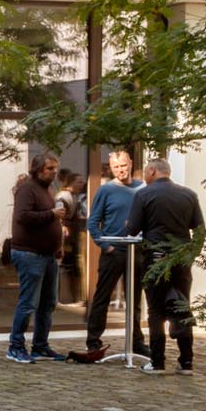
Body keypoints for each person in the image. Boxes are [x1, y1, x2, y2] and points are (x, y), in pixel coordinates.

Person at [125, 157, 206, 374]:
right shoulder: (189, 195)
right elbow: (200, 231)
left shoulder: (143, 194)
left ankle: (158, 361)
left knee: (156, 311)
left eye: (145, 172)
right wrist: (191, 255)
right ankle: (186, 361)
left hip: (155, 259)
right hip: (181, 260)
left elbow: (132, 229)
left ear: (152, 171)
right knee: (182, 307)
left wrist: (129, 224)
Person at [80, 150, 146, 358]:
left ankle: (136, 342)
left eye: (123, 165)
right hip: (113, 251)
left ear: (130, 164)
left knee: (134, 300)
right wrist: (105, 245)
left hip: (136, 251)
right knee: (102, 297)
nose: (121, 170)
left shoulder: (142, 189)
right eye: (116, 167)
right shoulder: (105, 190)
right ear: (111, 168)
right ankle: (93, 342)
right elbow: (92, 222)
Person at [7, 153, 65, 363]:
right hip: (29, 254)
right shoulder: (27, 189)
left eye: (56, 168)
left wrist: (58, 245)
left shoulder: (47, 190)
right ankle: (15, 346)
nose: (54, 172)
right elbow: (23, 216)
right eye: (50, 168)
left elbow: (50, 219)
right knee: (29, 302)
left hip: (48, 255)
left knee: (48, 303)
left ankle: (40, 346)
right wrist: (52, 214)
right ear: (38, 169)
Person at [54, 168, 88, 304]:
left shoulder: (73, 196)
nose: (82, 184)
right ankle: (60, 296)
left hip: (70, 236)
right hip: (64, 236)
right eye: (79, 182)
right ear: (72, 183)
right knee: (61, 263)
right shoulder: (64, 196)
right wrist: (63, 225)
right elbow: (60, 214)